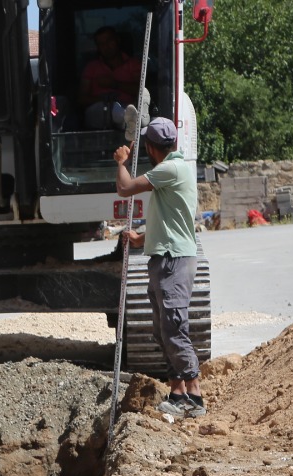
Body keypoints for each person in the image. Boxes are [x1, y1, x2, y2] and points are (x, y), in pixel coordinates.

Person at [114, 117, 201, 416]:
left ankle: (194, 398)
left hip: (173, 260)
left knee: (174, 327)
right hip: (167, 255)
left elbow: (125, 188)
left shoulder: (170, 169)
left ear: (151, 148)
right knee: (165, 329)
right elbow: (169, 221)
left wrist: (122, 162)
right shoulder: (174, 171)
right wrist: (140, 240)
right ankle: (177, 393)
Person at [80, 26, 142, 131]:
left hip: (128, 112)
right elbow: (81, 99)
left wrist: (114, 84)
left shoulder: (134, 64)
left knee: (127, 113)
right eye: (101, 44)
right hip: (98, 113)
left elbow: (141, 91)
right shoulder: (91, 67)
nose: (106, 47)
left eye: (109, 41)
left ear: (117, 40)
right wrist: (105, 100)